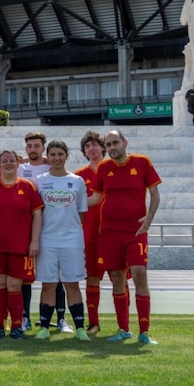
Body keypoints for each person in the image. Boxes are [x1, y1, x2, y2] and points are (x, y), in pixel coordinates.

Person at [89, 130, 161, 345]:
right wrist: (67, 204)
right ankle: (124, 329)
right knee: (117, 279)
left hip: (135, 232)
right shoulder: (103, 168)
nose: (112, 147)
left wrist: (148, 220)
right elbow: (96, 197)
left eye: (115, 143)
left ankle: (145, 331)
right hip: (110, 232)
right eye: (108, 144)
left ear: (124, 142)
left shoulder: (142, 162)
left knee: (140, 274)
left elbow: (155, 195)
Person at [0, 149, 43, 340]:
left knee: (14, 285)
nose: (8, 163)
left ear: (18, 163)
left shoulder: (28, 187)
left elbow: (37, 214)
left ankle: (17, 326)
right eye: (4, 161)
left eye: (12, 160)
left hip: (20, 245)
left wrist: (34, 241)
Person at [33, 140, 91, 341]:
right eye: (53, 154)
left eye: (60, 154)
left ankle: (80, 328)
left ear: (67, 156)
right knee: (48, 284)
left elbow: (81, 213)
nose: (57, 158)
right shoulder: (39, 181)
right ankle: (44, 328)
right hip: (47, 239)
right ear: (48, 157)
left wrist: (69, 228)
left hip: (71, 240)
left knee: (72, 283)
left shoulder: (77, 181)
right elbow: (36, 213)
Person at [17, 131, 66, 332]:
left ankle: (61, 319)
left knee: (55, 276)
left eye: (37, 146)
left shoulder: (52, 165)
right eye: (30, 146)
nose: (33, 150)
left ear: (43, 147)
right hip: (27, 228)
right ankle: (25, 317)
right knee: (25, 276)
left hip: (52, 227)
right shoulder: (20, 168)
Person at [74, 131, 108, 335]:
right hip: (90, 235)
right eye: (88, 146)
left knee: (118, 278)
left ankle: (125, 326)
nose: (92, 148)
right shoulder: (79, 176)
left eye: (95, 144)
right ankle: (94, 322)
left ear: (103, 147)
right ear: (84, 152)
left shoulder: (114, 170)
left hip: (113, 233)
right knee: (92, 279)